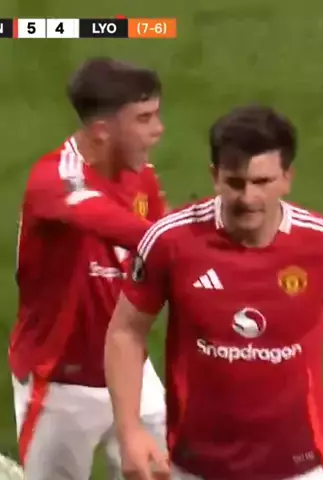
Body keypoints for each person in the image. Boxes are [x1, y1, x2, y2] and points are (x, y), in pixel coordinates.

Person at [105, 105, 323, 480]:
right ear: (215, 176)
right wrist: (129, 432)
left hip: (302, 468)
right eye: (235, 182)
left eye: (262, 182)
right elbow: (126, 331)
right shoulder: (171, 240)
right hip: (193, 467)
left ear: (287, 178)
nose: (248, 198)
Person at [9, 57, 169, 480]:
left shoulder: (141, 176)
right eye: (144, 118)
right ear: (102, 130)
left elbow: (160, 243)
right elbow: (124, 227)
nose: (158, 129)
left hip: (131, 372)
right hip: (60, 382)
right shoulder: (55, 179)